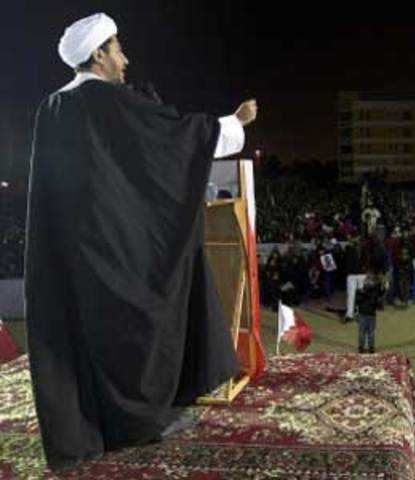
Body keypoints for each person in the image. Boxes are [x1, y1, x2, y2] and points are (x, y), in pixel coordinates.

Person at [25, 13, 258, 470]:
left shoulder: (51, 108)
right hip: (116, 252)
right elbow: (171, 140)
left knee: (86, 338)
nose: (125, 59)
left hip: (73, 258)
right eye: (117, 49)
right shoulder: (110, 103)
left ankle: (94, 427)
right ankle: (137, 423)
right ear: (98, 55)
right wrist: (234, 122)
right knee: (135, 328)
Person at [355, 266, 387, 353]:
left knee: (362, 332)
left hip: (363, 313)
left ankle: (361, 348)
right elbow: (381, 294)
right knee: (371, 333)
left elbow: (357, 301)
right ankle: (371, 348)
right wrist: (382, 284)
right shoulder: (374, 291)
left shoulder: (361, 291)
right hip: (371, 314)